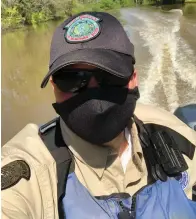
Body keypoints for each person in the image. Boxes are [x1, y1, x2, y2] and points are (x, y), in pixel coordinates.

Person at [1, 12, 196, 219]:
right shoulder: (30, 171)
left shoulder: (174, 134)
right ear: (54, 87)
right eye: (72, 79)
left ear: (133, 79)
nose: (93, 96)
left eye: (109, 75)